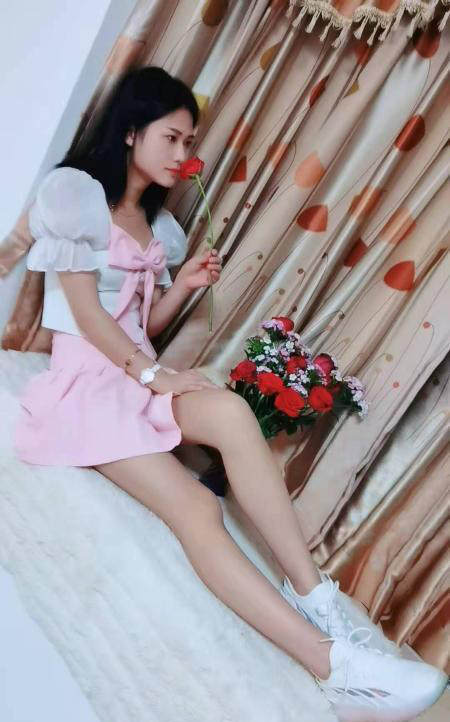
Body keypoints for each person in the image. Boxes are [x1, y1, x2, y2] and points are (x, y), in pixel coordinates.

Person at [14, 66, 447, 722]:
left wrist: (183, 286)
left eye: (189, 142)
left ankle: (315, 595)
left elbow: (139, 323)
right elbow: (89, 315)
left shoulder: (157, 228)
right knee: (196, 506)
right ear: (130, 131)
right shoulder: (75, 198)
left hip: (132, 372)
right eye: (172, 138)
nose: (182, 154)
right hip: (86, 384)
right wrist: (153, 375)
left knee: (232, 410)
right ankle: (334, 669)